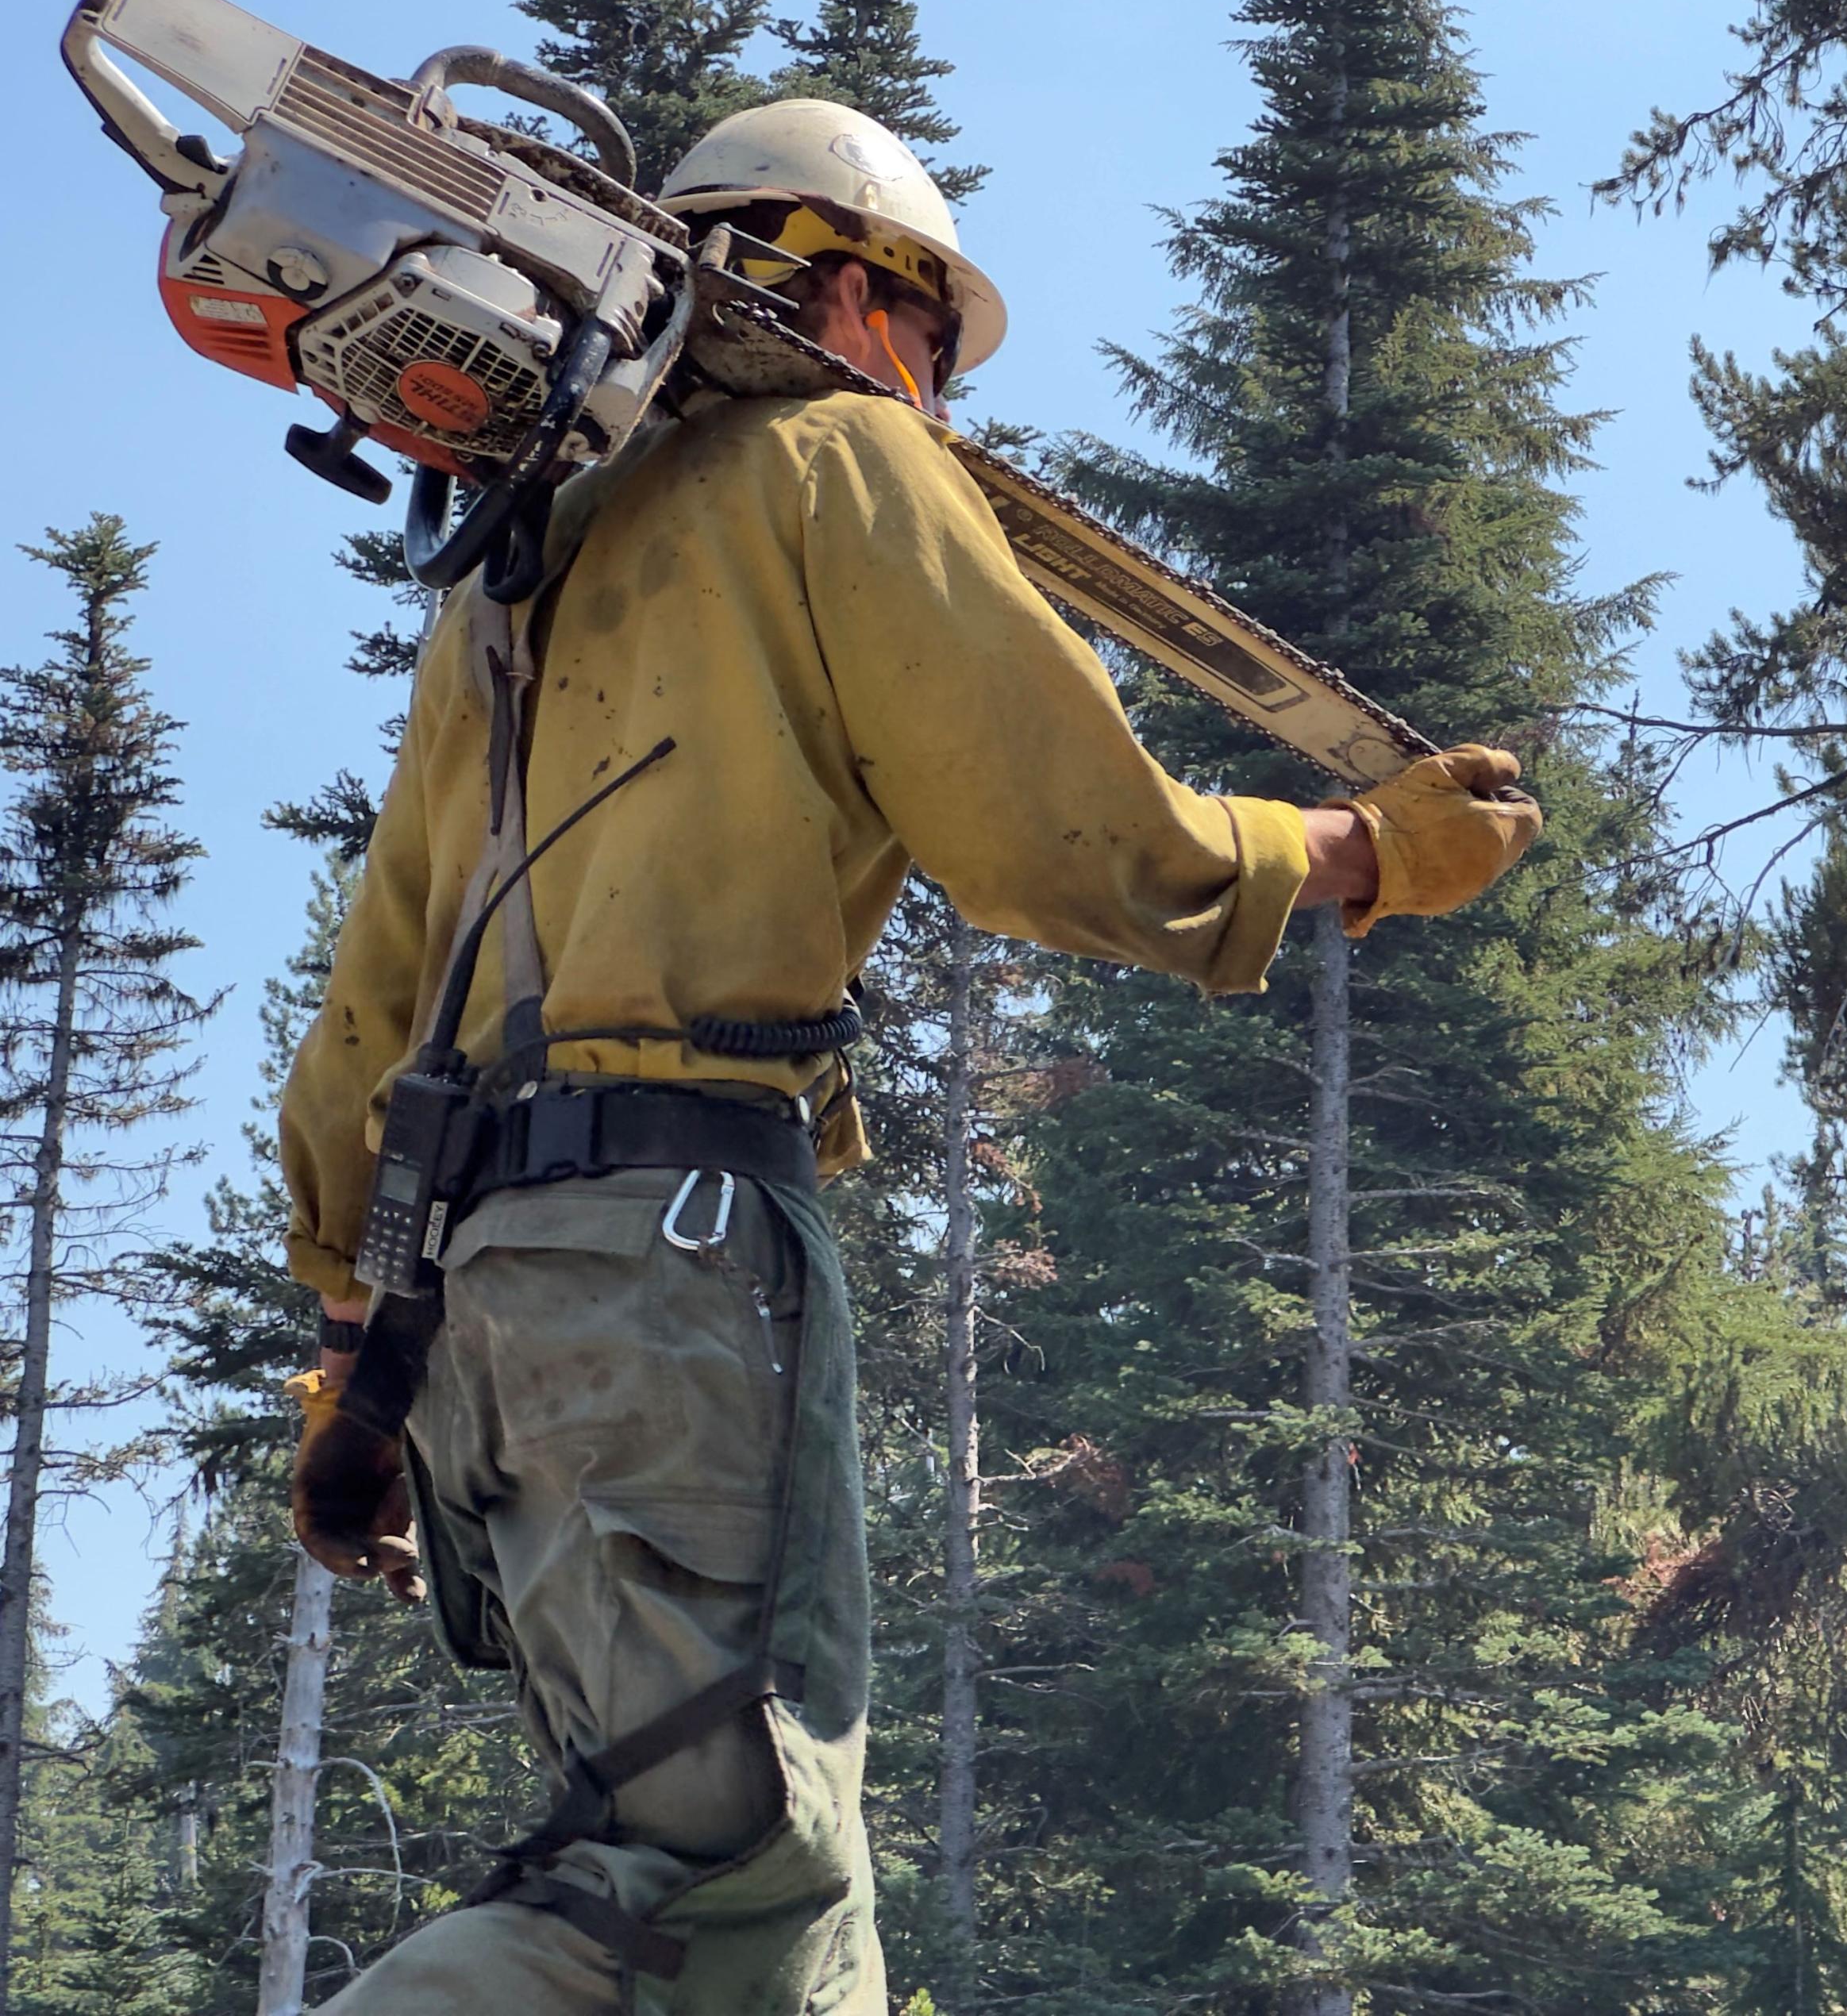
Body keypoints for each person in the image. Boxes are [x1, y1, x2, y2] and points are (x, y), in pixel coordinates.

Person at [278, 97, 1543, 2016]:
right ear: (845, 289)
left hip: (478, 1315)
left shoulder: (507, 584)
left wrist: (361, 1370)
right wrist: (1357, 854)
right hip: (674, 1247)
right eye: (930, 336)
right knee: (733, 1883)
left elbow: (362, 1037)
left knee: (673, 1873)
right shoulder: (837, 464)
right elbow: (1057, 832)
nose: (939, 392)